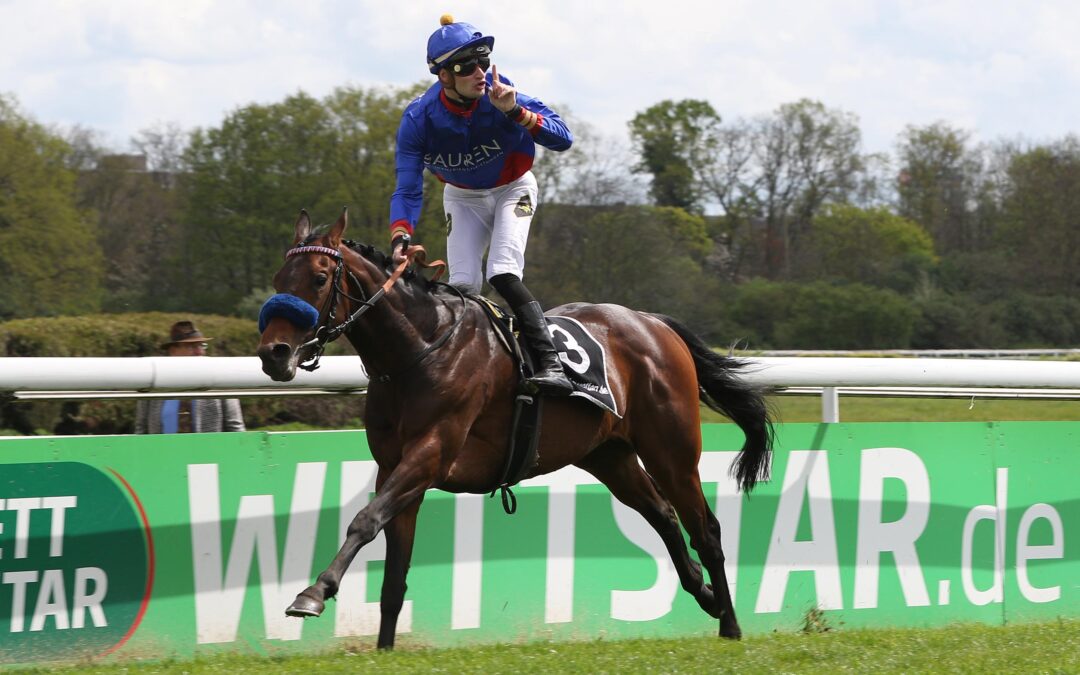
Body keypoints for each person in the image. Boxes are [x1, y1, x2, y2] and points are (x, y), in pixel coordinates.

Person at [389, 14, 574, 396]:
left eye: (483, 61)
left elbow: (563, 138)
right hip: (463, 197)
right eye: (467, 66)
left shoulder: (504, 95)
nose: (480, 72)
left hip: (514, 188)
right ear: (444, 76)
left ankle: (551, 362)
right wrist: (401, 235)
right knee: (462, 287)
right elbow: (407, 189)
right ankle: (462, 370)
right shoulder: (418, 119)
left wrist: (515, 113)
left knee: (503, 273)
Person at [134, 321, 246, 434]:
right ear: (173, 351)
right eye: (191, 346)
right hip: (161, 451)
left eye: (201, 345)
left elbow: (236, 428)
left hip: (209, 451)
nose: (199, 352)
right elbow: (141, 430)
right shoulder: (153, 383)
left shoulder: (219, 382)